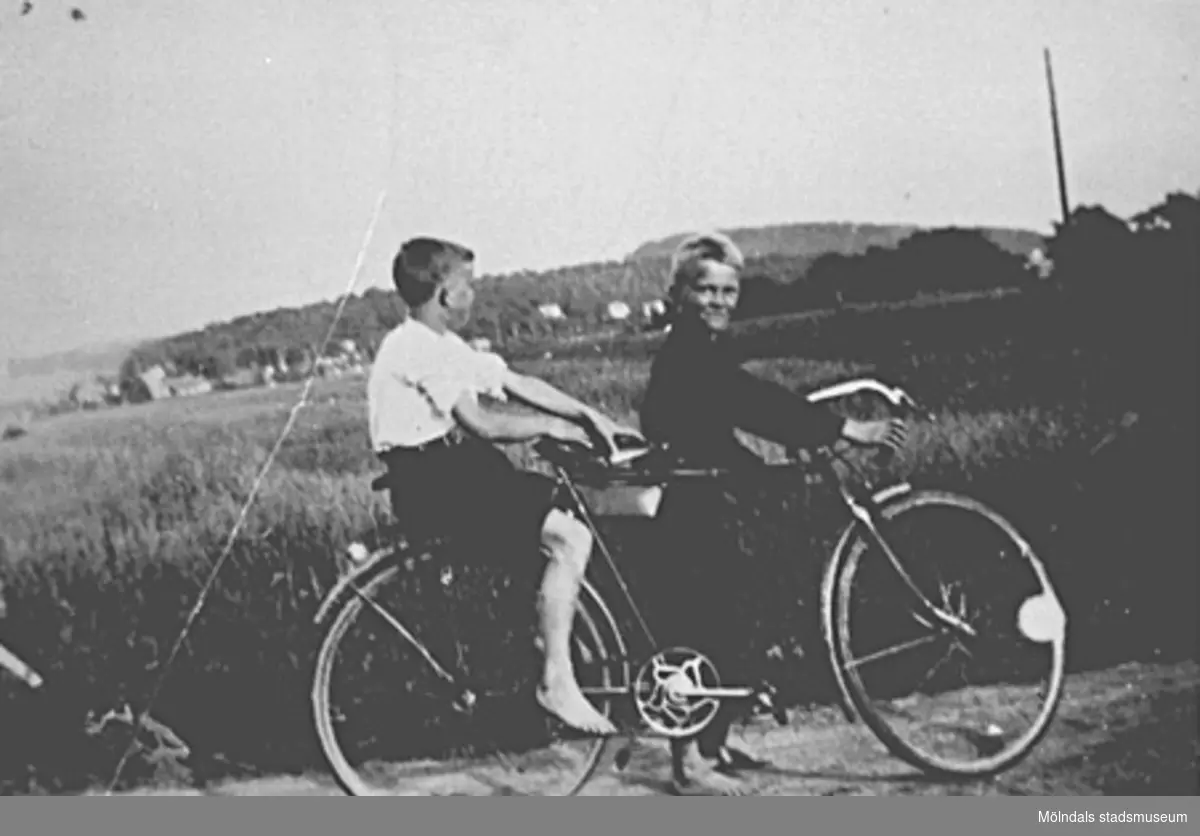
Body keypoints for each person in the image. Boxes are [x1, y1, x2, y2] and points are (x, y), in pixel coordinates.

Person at [638, 232, 908, 795]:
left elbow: (727, 413)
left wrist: (768, 464)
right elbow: (745, 400)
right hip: (692, 496)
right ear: (680, 293)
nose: (717, 301)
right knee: (700, 620)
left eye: (728, 291)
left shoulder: (701, 346)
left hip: (710, 483)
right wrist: (843, 428)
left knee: (732, 614)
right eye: (705, 289)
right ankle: (689, 763)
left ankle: (712, 741)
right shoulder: (689, 350)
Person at [367, 236, 642, 736]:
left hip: (454, 472)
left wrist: (587, 415)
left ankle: (547, 641)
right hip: (434, 484)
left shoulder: (440, 345)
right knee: (570, 538)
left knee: (557, 512)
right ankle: (555, 680)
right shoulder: (414, 348)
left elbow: (515, 383)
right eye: (468, 285)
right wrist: (551, 427)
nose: (474, 295)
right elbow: (481, 422)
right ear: (445, 293)